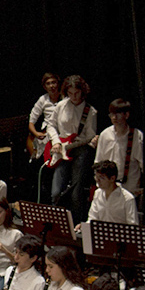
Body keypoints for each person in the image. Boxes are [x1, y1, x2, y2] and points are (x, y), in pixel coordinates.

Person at [49, 74, 97, 214]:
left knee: (76, 193)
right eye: (70, 93)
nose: (73, 97)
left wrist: (93, 142)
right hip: (61, 149)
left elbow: (90, 137)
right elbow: (51, 125)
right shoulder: (61, 105)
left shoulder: (91, 112)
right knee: (56, 191)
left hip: (80, 150)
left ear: (82, 91)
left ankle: (76, 223)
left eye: (76, 93)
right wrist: (56, 142)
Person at [90, 99, 144, 198]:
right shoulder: (105, 135)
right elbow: (98, 162)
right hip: (107, 188)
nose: (114, 117)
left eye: (118, 114)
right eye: (111, 114)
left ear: (126, 115)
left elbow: (142, 164)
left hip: (129, 190)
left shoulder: (136, 135)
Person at [29, 72, 68, 199]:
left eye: (54, 82)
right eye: (48, 84)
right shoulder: (43, 100)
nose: (52, 86)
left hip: (63, 135)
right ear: (45, 87)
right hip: (47, 138)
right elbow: (32, 121)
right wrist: (36, 133)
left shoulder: (66, 99)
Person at [81, 160, 138, 241]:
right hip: (100, 238)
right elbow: (93, 218)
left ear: (112, 178)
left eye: (101, 178)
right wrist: (84, 227)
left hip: (119, 241)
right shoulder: (97, 193)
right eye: (96, 177)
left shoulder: (127, 198)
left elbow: (133, 227)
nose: (97, 180)